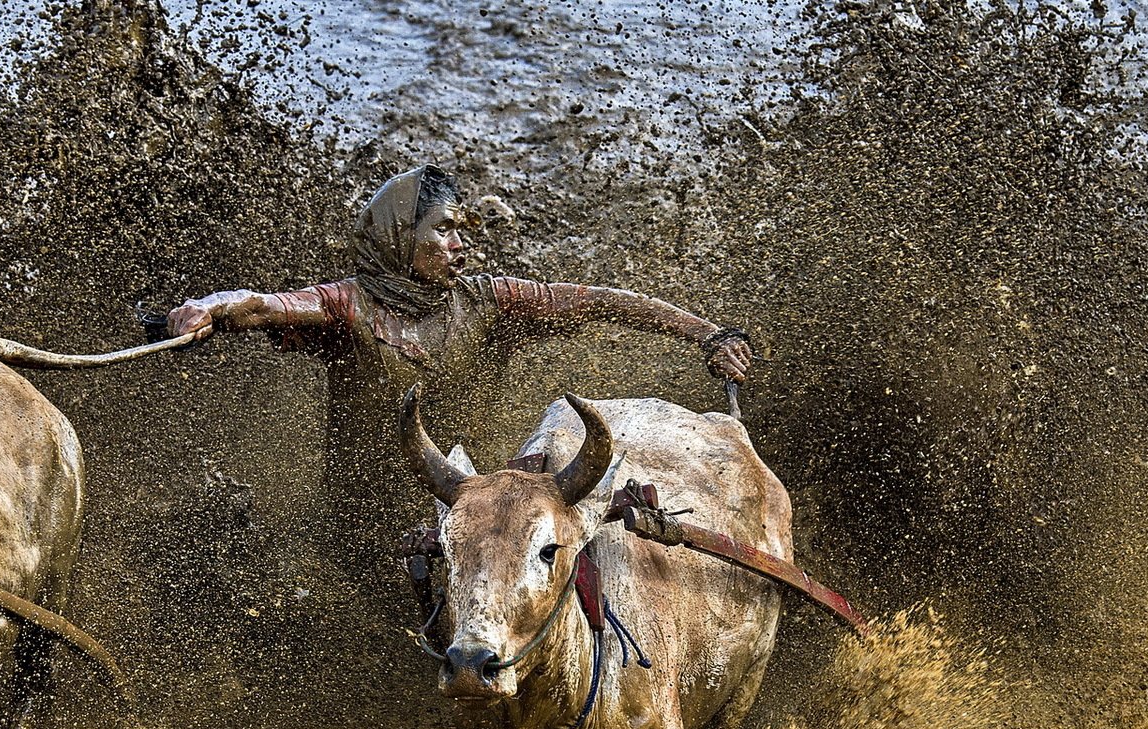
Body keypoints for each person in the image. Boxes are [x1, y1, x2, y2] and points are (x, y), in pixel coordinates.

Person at [166, 163, 753, 577]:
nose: (459, 245)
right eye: (443, 230)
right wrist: (209, 309)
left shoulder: (490, 302)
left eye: (461, 231)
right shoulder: (347, 307)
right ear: (401, 236)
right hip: (367, 532)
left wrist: (708, 334)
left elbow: (600, 300)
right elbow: (267, 304)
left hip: (478, 518)